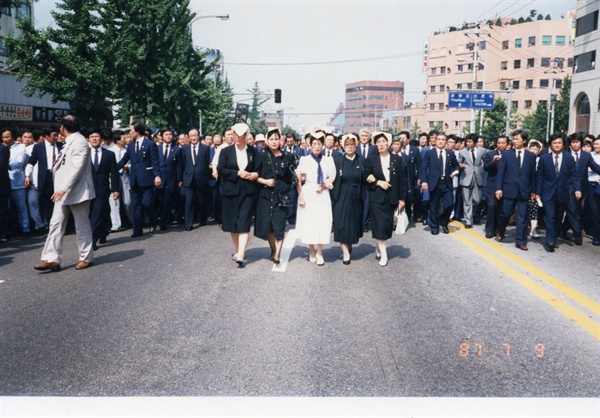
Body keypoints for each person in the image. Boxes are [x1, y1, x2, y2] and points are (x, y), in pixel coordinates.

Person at [34, 115, 96, 272]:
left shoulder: (80, 142)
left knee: (81, 226)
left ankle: (86, 257)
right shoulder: (69, 141)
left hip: (77, 191)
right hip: (62, 192)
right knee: (55, 224)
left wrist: (63, 188)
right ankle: (51, 258)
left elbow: (77, 168)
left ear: (63, 127)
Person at [217, 123, 259, 267]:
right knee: (232, 224)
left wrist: (256, 174)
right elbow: (221, 169)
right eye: (235, 134)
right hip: (231, 192)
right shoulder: (225, 151)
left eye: (241, 135)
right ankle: (238, 250)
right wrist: (237, 173)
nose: (237, 138)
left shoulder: (254, 151)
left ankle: (241, 254)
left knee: (244, 222)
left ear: (246, 136)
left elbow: (259, 168)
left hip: (248, 192)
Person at [254, 127, 296, 264]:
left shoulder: (287, 157)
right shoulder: (261, 155)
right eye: (271, 139)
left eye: (276, 139)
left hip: (281, 196)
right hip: (265, 195)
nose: (274, 142)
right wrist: (265, 181)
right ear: (266, 140)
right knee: (269, 227)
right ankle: (273, 249)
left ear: (280, 140)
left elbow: (291, 178)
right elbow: (255, 175)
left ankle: (277, 254)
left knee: (279, 226)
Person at [295, 130, 336, 266]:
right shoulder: (304, 160)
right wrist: (301, 194)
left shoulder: (328, 160)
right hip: (308, 193)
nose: (317, 147)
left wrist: (325, 185)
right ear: (309, 145)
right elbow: (299, 179)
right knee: (309, 222)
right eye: (314, 144)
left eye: (319, 144)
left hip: (322, 194)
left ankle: (320, 252)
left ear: (323, 145)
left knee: (322, 222)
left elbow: (332, 176)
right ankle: (311, 250)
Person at [364, 131, 405, 267]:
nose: (381, 144)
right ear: (375, 144)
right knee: (379, 224)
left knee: (387, 226)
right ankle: (384, 254)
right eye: (378, 142)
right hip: (376, 197)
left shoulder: (397, 159)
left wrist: (402, 199)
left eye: (383, 142)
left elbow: (400, 180)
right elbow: (365, 176)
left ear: (389, 143)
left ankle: (378, 247)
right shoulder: (371, 159)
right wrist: (377, 182)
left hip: (391, 197)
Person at [535, 134, 580, 253]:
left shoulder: (569, 158)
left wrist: (577, 189)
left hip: (562, 193)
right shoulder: (544, 158)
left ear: (563, 144)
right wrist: (537, 192)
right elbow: (539, 176)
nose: (557, 145)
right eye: (554, 143)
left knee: (558, 217)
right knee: (550, 216)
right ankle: (550, 241)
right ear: (550, 145)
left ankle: (554, 238)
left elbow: (574, 175)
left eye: (559, 143)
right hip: (548, 192)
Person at [495, 129, 537, 251]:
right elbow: (501, 173)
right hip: (509, 189)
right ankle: (500, 231)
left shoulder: (531, 156)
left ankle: (521, 241)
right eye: (513, 139)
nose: (514, 141)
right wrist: (499, 188)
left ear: (524, 141)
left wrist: (533, 191)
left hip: (524, 191)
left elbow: (533, 175)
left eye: (517, 139)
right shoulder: (507, 154)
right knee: (506, 213)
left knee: (522, 217)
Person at [118, 121, 161, 237]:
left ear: (137, 131)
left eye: (131, 130)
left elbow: (155, 161)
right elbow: (124, 159)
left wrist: (157, 176)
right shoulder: (131, 145)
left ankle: (153, 220)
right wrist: (113, 168)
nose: (129, 133)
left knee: (147, 203)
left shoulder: (150, 144)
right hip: (134, 179)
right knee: (135, 205)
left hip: (147, 179)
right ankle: (137, 230)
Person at [332, 133, 366, 265]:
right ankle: (345, 252)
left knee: (353, 224)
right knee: (341, 223)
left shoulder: (362, 160)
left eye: (352, 144)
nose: (349, 147)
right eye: (347, 144)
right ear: (342, 146)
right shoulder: (338, 161)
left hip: (356, 195)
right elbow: (332, 177)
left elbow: (366, 176)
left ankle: (349, 245)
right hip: (341, 194)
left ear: (356, 145)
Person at [419, 133, 459, 236]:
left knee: (449, 204)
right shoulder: (429, 153)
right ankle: (434, 225)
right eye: (439, 140)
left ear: (446, 142)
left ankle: (444, 223)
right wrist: (423, 181)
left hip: (446, 183)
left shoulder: (450, 153)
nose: (441, 141)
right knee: (434, 206)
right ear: (435, 141)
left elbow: (456, 166)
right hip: (434, 183)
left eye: (443, 140)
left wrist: (456, 171)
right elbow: (423, 168)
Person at [87, 127, 120, 250]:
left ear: (101, 139)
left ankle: (92, 240)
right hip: (87, 189)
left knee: (98, 212)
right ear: (88, 139)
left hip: (103, 188)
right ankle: (102, 232)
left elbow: (114, 173)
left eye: (97, 137)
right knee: (96, 213)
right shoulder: (84, 153)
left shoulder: (109, 154)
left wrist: (116, 190)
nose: (94, 139)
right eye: (92, 137)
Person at [180, 128, 211, 231]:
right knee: (188, 202)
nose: (193, 138)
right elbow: (182, 164)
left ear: (198, 136)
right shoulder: (184, 149)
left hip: (202, 178)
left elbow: (207, 164)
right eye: (191, 136)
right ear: (188, 137)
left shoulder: (205, 148)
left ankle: (203, 219)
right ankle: (188, 224)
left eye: (195, 135)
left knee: (202, 201)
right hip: (188, 179)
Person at [2, 128, 30, 235]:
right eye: (3, 137)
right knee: (7, 209)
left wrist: (4, 165)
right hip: (5, 182)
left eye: (8, 137)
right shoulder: (2, 147)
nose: (5, 139)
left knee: (21, 207)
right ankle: (11, 229)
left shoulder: (21, 148)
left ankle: (25, 228)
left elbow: (19, 162)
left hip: (17, 182)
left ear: (13, 137)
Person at [458, 134, 485, 228]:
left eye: (470, 142)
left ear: (476, 142)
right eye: (467, 141)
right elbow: (458, 162)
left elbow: (486, 160)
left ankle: (473, 214)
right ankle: (468, 220)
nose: (468, 143)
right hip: (466, 177)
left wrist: (483, 166)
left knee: (478, 200)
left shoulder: (482, 150)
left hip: (478, 177)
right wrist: (460, 165)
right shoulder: (462, 151)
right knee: (466, 200)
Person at [156, 128, 181, 231]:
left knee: (167, 201)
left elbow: (179, 166)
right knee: (159, 201)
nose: (168, 136)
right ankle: (162, 219)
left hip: (171, 179)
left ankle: (163, 223)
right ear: (162, 137)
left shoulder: (177, 149)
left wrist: (179, 179)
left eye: (170, 134)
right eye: (166, 134)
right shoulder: (157, 148)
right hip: (159, 178)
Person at [483, 136, 508, 238]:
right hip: (492, 184)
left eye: (503, 143)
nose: (501, 145)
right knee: (492, 206)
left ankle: (499, 230)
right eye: (499, 143)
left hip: (505, 184)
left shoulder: (510, 154)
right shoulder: (490, 154)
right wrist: (494, 162)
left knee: (502, 208)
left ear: (507, 144)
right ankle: (489, 229)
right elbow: (486, 167)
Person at [526, 140, 543, 238]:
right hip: (526, 187)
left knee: (534, 209)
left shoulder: (541, 160)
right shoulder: (525, 159)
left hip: (537, 187)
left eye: (536, 148)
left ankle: (533, 230)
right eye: (531, 148)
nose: (533, 150)